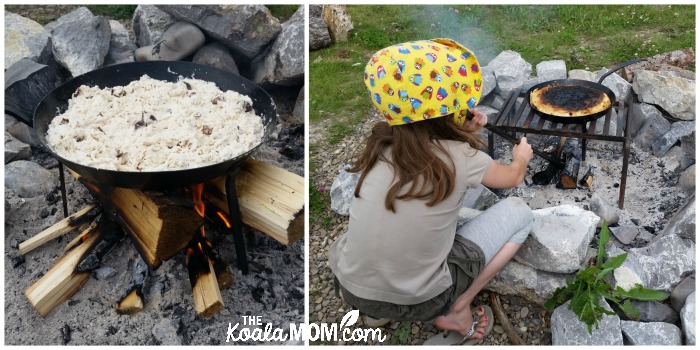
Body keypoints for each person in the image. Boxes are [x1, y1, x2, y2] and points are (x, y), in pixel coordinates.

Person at [328, 38, 535, 345]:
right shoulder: (463, 158)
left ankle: (377, 312)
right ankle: (458, 307)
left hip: (350, 288)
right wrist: (521, 157)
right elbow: (512, 177)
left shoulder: (380, 145)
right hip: (424, 300)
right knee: (521, 214)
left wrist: (463, 132)